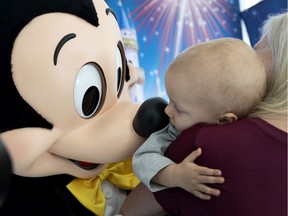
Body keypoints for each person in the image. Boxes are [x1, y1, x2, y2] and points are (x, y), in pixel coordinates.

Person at [123, 12, 287, 216]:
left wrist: (174, 175)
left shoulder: (205, 142)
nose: (167, 110)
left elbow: (130, 210)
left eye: (259, 50)